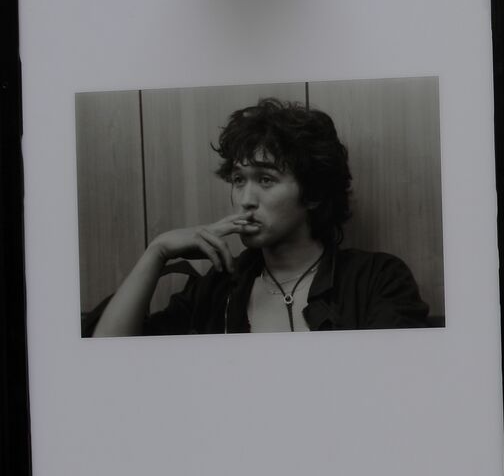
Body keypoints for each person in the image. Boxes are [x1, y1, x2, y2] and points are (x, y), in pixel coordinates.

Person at [90, 98, 429, 336]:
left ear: (312, 193)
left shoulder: (376, 279)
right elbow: (106, 361)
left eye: (266, 180)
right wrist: (157, 251)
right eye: (238, 180)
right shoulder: (218, 288)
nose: (246, 200)